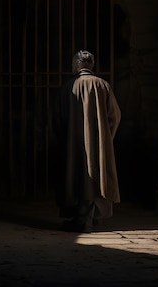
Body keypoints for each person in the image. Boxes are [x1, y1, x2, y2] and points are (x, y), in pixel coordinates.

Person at [53, 50, 121, 233]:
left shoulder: (68, 87)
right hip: (98, 145)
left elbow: (58, 120)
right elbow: (115, 116)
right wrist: (105, 139)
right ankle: (89, 219)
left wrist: (64, 141)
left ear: (77, 65)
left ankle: (82, 220)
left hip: (72, 145)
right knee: (96, 179)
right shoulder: (103, 85)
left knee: (75, 178)